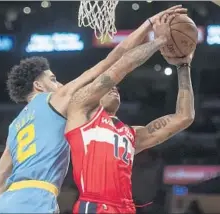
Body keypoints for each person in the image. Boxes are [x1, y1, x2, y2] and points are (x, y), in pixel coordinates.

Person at [0, 5, 186, 213]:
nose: (60, 84)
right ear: (39, 86)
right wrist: (149, 25)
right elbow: (113, 59)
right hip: (37, 198)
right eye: (53, 79)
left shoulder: (14, 127)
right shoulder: (55, 99)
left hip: (5, 203)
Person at [65, 14, 195, 213]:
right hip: (96, 204)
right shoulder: (80, 113)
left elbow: (184, 117)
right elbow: (122, 66)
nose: (114, 87)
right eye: (108, 87)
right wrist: (160, 39)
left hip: (126, 207)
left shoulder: (131, 135)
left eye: (116, 88)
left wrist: (183, 65)